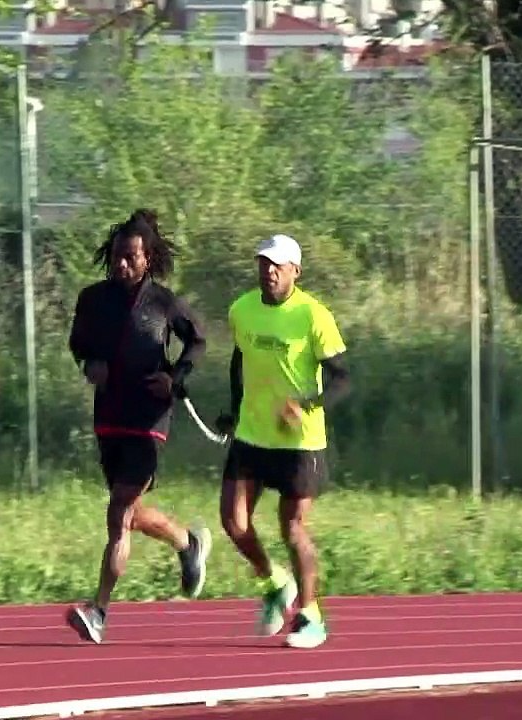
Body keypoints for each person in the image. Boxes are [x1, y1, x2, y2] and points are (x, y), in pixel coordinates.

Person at [65, 208, 213, 645]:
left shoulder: (165, 303)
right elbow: (79, 343)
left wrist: (176, 375)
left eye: (131, 257)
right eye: (117, 256)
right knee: (126, 513)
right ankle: (188, 543)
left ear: (148, 259)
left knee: (117, 515)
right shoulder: (92, 299)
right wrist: (89, 363)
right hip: (110, 416)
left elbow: (198, 339)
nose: (122, 264)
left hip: (150, 419)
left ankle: (99, 612)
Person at [215, 233, 352, 650]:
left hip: (299, 442)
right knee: (233, 522)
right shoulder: (242, 310)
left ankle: (312, 617)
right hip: (252, 435)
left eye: (277, 264)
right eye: (263, 262)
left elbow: (343, 378)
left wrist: (309, 405)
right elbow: (240, 361)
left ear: (296, 270)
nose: (268, 270)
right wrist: (234, 409)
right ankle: (276, 584)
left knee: (292, 527)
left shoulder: (313, 316)